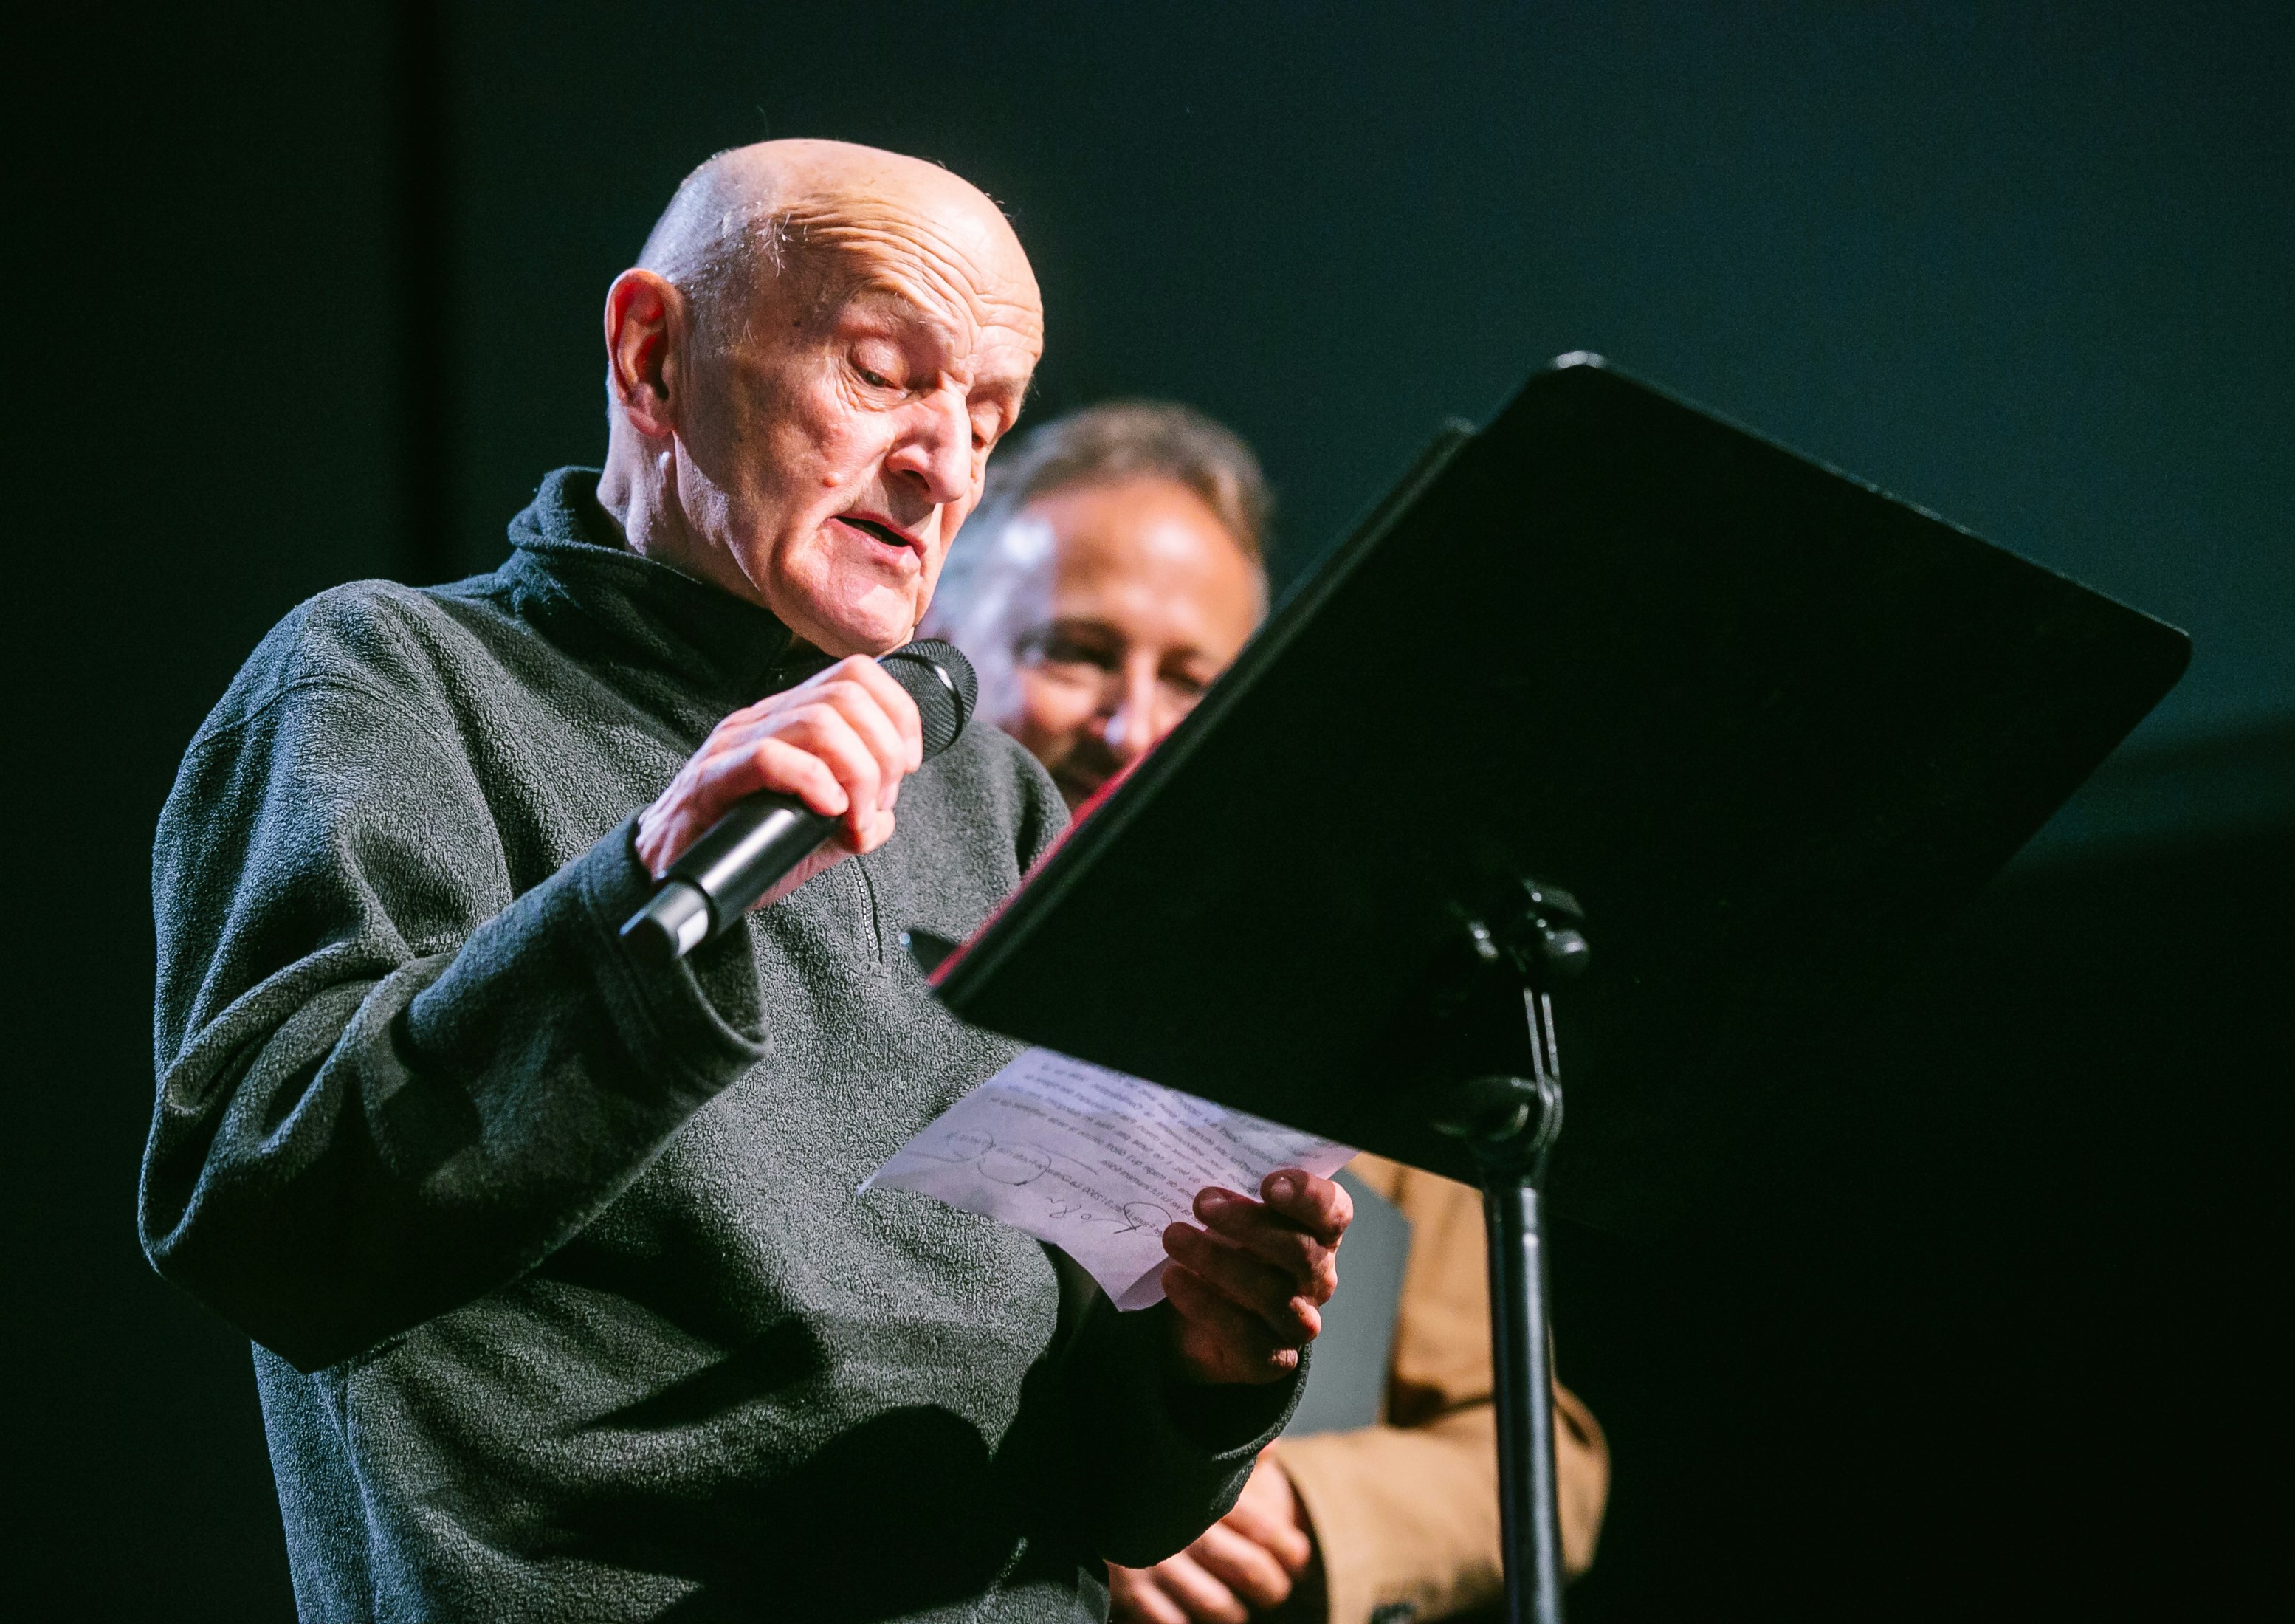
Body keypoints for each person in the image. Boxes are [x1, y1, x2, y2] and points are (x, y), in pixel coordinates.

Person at [140, 141, 1356, 1624]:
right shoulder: (390, 680)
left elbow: (1113, 1489)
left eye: (986, 417)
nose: (943, 465)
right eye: (880, 374)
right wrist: (651, 878)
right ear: (652, 356)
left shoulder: (997, 799)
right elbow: (264, 1223)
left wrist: (1201, 1366)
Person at [920, 402, 1609, 1624]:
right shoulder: (838, 946)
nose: (1132, 726)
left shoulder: (1342, 1035)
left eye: (1194, 679)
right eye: (1075, 651)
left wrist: (1277, 1498)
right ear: (940, 644)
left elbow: (1544, 1460)